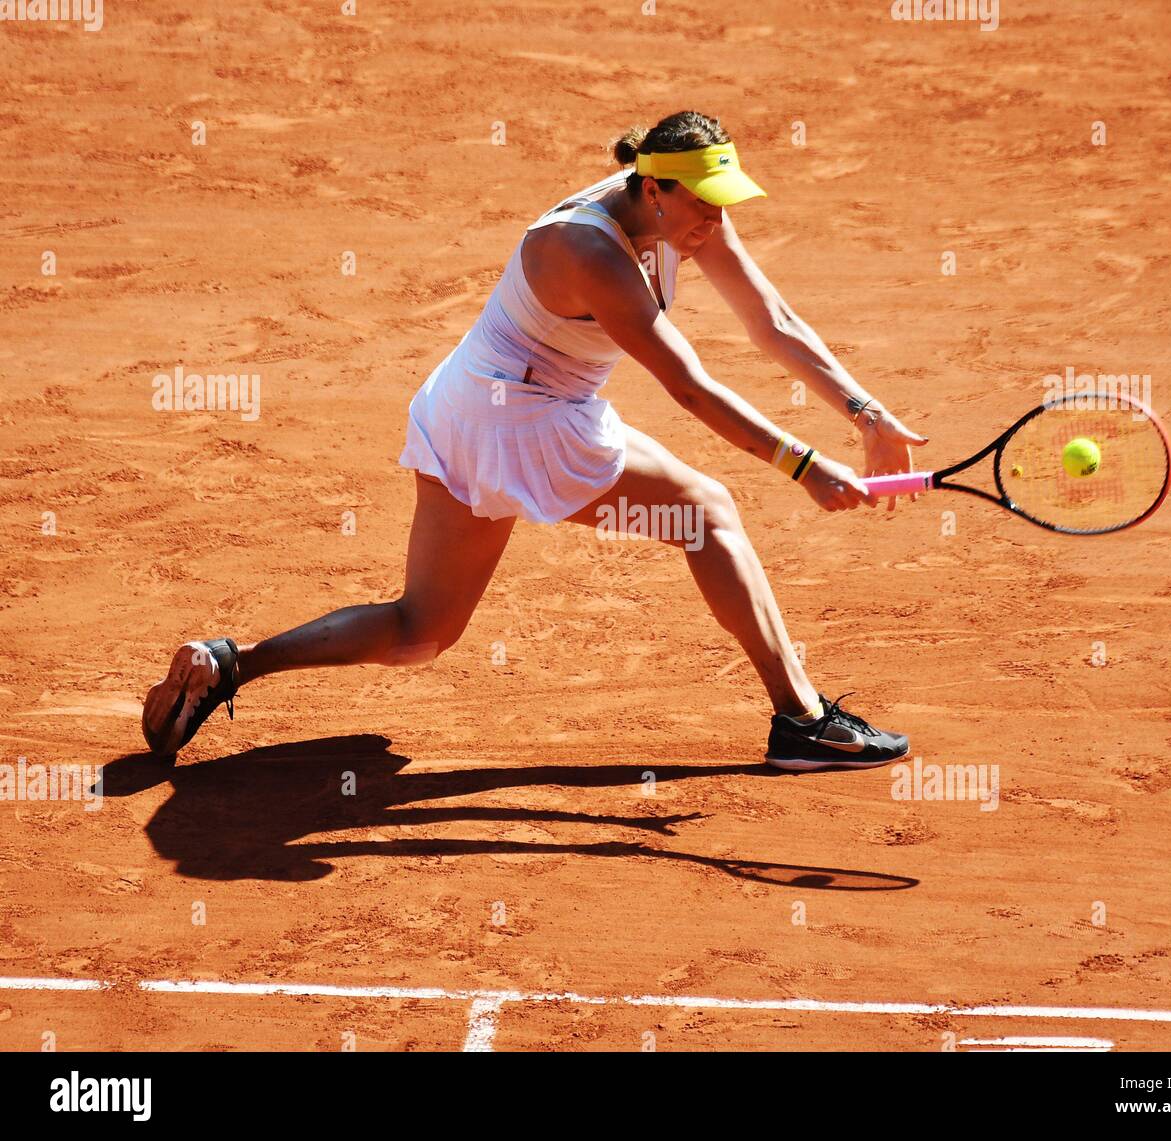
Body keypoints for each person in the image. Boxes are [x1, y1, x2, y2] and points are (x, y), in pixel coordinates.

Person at [143, 110, 928, 771]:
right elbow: (689, 387)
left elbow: (772, 321)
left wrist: (866, 413)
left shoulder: (675, 214)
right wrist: (803, 464)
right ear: (653, 189)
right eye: (703, 205)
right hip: (521, 419)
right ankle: (801, 720)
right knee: (709, 513)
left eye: (723, 204)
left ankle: (229, 663)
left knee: (422, 631)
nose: (715, 223)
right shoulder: (587, 251)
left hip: (471, 405)